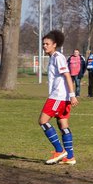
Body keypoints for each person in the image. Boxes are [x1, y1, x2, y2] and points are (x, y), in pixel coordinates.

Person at [40, 30, 77, 165]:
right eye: (43, 44)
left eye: (47, 44)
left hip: (58, 97)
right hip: (63, 97)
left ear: (54, 44)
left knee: (43, 121)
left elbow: (67, 75)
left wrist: (72, 95)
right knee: (63, 124)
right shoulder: (53, 58)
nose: (44, 46)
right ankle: (70, 157)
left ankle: (60, 150)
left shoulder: (57, 57)